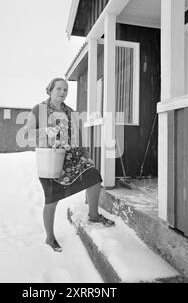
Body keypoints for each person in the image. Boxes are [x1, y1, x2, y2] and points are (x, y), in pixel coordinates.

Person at [23, 77, 115, 252]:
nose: (62, 92)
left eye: (65, 90)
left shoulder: (70, 112)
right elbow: (26, 134)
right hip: (50, 160)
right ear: (50, 90)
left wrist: (86, 156)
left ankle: (94, 215)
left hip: (72, 158)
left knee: (94, 176)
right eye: (58, 89)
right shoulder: (39, 110)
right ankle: (50, 238)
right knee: (52, 198)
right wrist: (44, 131)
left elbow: (77, 138)